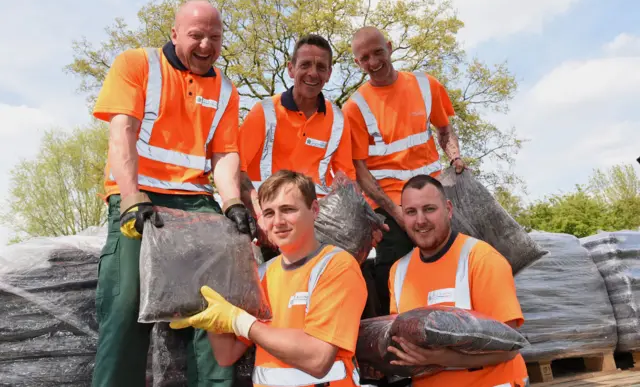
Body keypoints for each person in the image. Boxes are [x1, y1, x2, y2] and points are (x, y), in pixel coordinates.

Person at [91, 0, 256, 387]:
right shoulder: (137, 64)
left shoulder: (226, 90)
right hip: (141, 198)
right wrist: (131, 198)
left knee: (218, 302)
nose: (205, 45)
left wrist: (232, 201)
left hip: (195, 201)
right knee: (128, 300)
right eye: (196, 35)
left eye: (214, 37)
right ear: (175, 34)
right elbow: (123, 132)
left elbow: (225, 152)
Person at [170, 170, 367, 386]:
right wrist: (214, 304)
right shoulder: (262, 274)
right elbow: (226, 355)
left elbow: (318, 359)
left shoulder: (336, 266)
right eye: (269, 213)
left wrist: (239, 321)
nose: (278, 221)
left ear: (314, 210)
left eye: (288, 209)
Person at [342, 26, 466, 315]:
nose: (373, 63)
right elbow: (360, 170)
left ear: (390, 46)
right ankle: (396, 337)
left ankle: (457, 321)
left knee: (452, 260)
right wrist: (396, 212)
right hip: (390, 204)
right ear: (356, 62)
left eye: (377, 53)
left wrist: (456, 158)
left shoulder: (426, 86)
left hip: (433, 193)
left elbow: (445, 130)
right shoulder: (355, 107)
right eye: (364, 58)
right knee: (394, 269)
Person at [387, 174, 528, 387]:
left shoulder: (481, 259)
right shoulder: (398, 271)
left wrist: (442, 359)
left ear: (449, 210)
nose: (420, 220)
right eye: (410, 212)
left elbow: (508, 349)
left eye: (429, 209)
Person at [238, 34, 356, 245]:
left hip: (317, 226)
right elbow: (238, 171)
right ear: (291, 69)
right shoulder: (263, 112)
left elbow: (345, 178)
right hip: (269, 227)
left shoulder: (338, 118)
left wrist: (360, 219)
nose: (313, 73)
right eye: (305, 65)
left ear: (329, 74)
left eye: (321, 67)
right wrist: (261, 216)